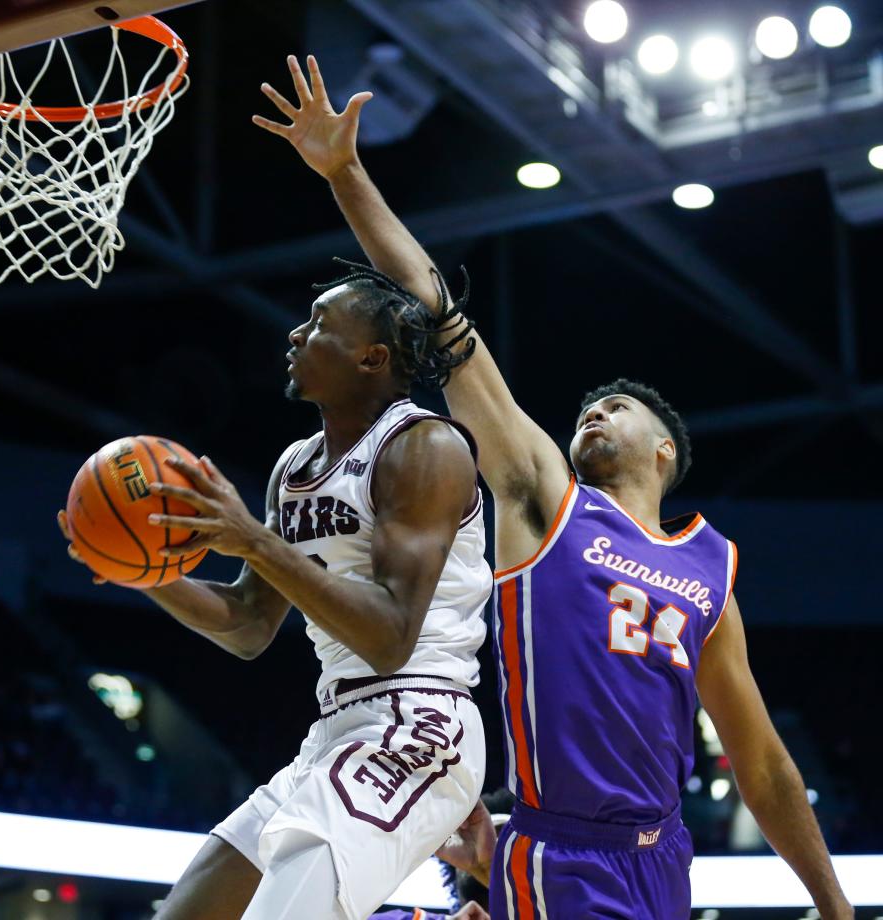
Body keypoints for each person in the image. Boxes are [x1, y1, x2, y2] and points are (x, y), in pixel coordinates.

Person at [253, 55, 853, 920]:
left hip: (663, 856)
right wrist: (346, 173)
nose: (596, 414)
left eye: (618, 408)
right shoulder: (547, 504)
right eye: (588, 408)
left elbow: (761, 764)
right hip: (559, 847)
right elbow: (435, 310)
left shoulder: (708, 572)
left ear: (665, 456)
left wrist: (835, 907)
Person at [58, 264, 493, 918]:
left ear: (372, 358)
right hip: (337, 728)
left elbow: (389, 638)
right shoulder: (294, 468)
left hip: (419, 719)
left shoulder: (425, 446)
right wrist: (143, 573)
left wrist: (256, 541)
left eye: (320, 325)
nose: (294, 334)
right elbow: (247, 624)